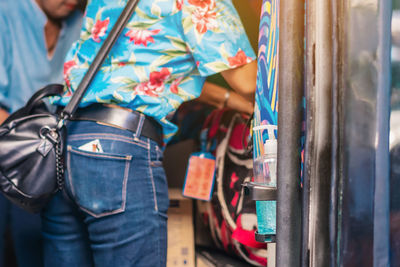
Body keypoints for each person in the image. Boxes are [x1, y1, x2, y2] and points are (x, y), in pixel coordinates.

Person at [43, 0, 257, 266]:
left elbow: (150, 68)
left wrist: (231, 102)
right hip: (119, 152)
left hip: (67, 144)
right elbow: (249, 81)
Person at [0, 0, 83, 266]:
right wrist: (31, 146)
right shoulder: (6, 11)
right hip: (15, 149)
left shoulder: (81, 24)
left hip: (47, 163)